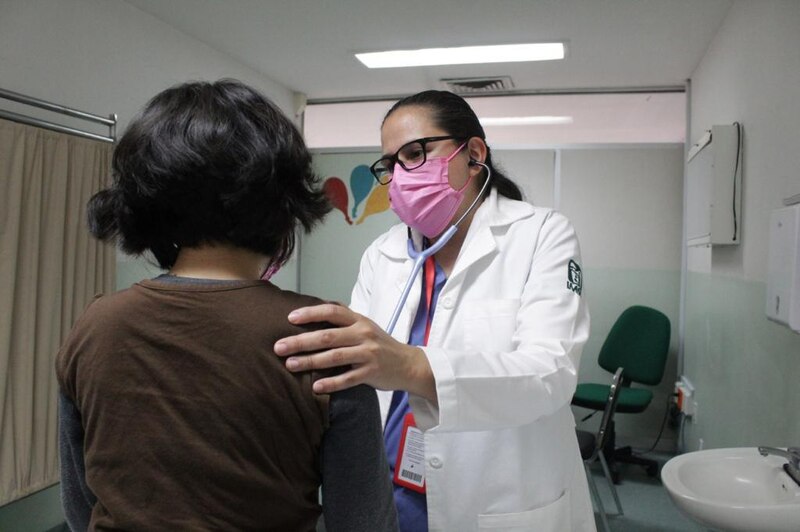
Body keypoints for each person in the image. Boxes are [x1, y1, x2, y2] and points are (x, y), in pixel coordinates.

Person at [55, 79, 398, 532]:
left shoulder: (94, 327)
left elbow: (81, 506)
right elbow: (363, 521)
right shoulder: (323, 337)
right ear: (283, 203)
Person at [273, 90, 595, 531]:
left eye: (416, 153)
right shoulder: (383, 253)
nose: (400, 175)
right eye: (390, 164)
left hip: (494, 498)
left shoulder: (542, 234)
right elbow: (360, 370)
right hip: (386, 490)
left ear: (474, 153)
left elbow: (550, 371)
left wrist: (407, 365)